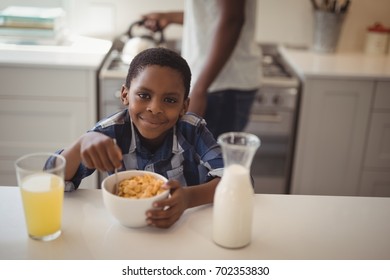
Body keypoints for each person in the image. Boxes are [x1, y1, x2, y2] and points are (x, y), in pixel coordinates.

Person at [56, 48, 223, 228]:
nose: (155, 108)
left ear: (184, 106)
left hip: (185, 227)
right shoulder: (108, 132)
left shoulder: (193, 130)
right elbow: (53, 180)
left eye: (170, 100)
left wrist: (188, 198)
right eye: (144, 95)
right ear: (125, 95)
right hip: (125, 228)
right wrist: (81, 143)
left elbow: (234, 179)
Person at [142, 0, 260, 138]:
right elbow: (210, 16)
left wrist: (199, 90)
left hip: (220, 86)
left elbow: (232, 19)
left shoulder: (206, 90)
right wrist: (169, 17)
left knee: (208, 156)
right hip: (214, 85)